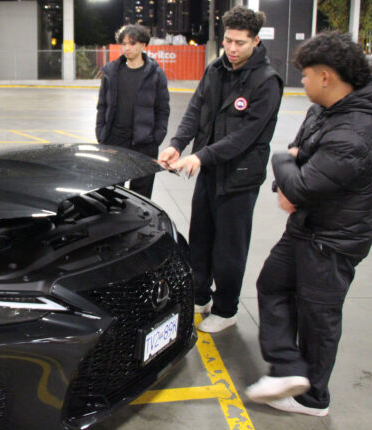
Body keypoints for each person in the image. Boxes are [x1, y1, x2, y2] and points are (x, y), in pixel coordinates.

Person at [245, 32, 372, 417]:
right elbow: (297, 169)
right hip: (307, 228)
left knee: (318, 318)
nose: (302, 82)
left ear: (326, 76)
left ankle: (313, 399)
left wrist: (282, 161)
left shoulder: (354, 133)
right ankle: (289, 368)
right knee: (272, 284)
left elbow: (299, 176)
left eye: (306, 75)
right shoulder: (323, 111)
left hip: (332, 241)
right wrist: (290, 175)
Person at [158, 5, 283, 333]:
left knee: (230, 247)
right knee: (201, 238)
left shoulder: (266, 82)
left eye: (240, 42)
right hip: (210, 172)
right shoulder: (216, 69)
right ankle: (200, 295)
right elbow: (195, 109)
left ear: (255, 41)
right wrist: (177, 144)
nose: (232, 48)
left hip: (239, 178)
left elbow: (246, 137)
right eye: (228, 40)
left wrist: (200, 157)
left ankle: (227, 309)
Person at [96, 24, 169, 199]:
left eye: (132, 43)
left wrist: (156, 139)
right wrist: (101, 134)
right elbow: (102, 105)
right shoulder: (111, 72)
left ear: (144, 45)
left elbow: (163, 109)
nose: (127, 48)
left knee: (141, 197)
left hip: (144, 143)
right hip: (115, 141)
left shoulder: (156, 74)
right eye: (123, 43)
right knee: (111, 192)